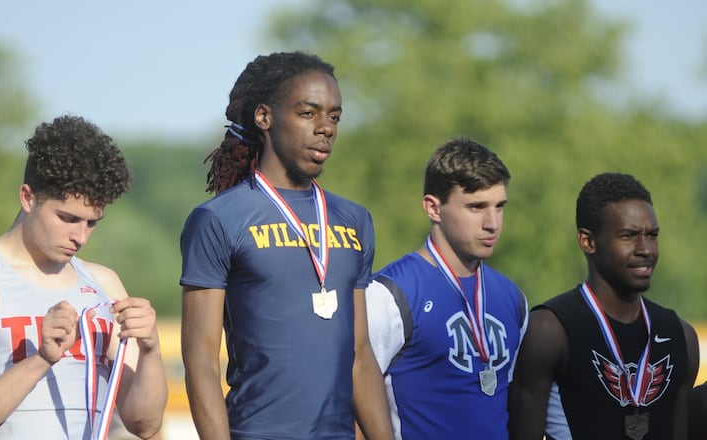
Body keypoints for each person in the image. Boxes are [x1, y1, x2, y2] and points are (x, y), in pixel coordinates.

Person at [179, 51, 393, 440]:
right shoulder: (218, 219)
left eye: (334, 116)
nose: (325, 128)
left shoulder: (355, 220)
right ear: (265, 117)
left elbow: (361, 355)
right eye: (308, 113)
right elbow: (201, 360)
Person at [0, 115, 168, 439]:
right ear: (28, 197)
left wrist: (151, 350)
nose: (80, 237)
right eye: (67, 218)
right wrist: (41, 359)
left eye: (92, 223)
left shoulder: (104, 283)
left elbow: (145, 424)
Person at [508, 172, 699, 440]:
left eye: (652, 235)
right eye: (629, 235)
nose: (646, 249)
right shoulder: (550, 330)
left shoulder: (681, 336)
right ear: (588, 241)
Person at [364, 138, 528, 439]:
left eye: (499, 206)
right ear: (433, 208)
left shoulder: (512, 297)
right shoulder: (389, 294)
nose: (492, 223)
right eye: (476, 207)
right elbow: (352, 403)